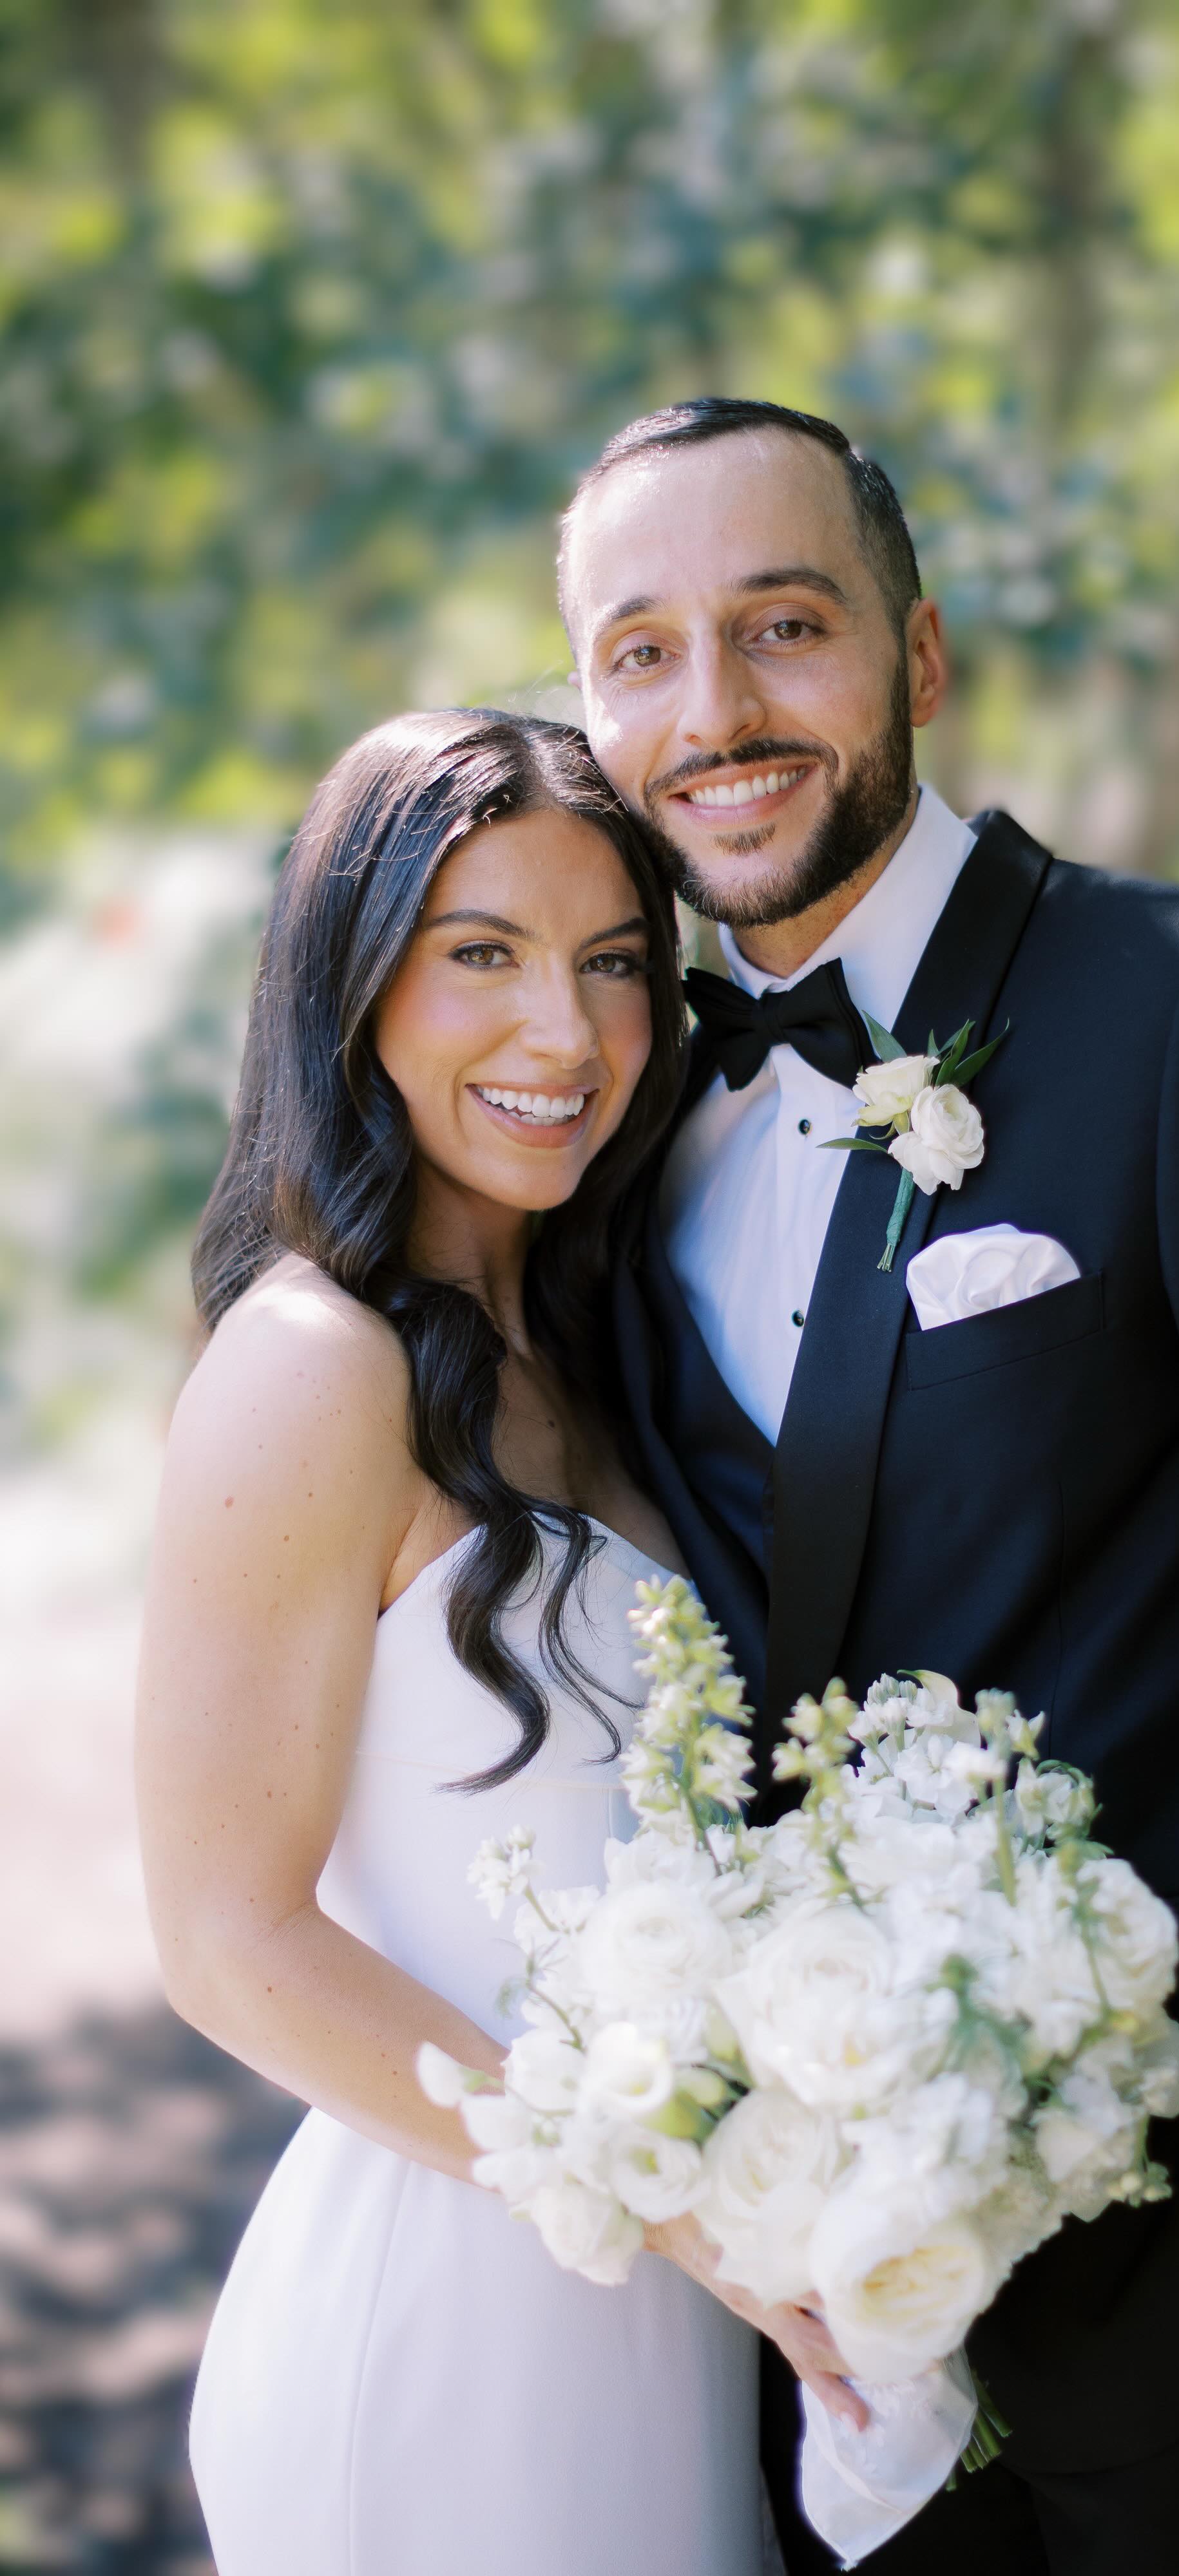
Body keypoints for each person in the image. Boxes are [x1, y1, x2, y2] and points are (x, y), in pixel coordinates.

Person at [559, 397, 1179, 2574]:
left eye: (785, 625)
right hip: (823, 2352)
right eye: (642, 652)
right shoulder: (599, 1122)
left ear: (921, 655)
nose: (719, 711)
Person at [133, 708, 859, 2576]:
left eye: (615, 963)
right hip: (456, 2327)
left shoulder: (597, 1341)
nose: (567, 1036)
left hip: (663, 2316)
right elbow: (228, 1942)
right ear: (352, 986)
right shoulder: (311, 1368)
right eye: (483, 956)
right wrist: (659, 2190)